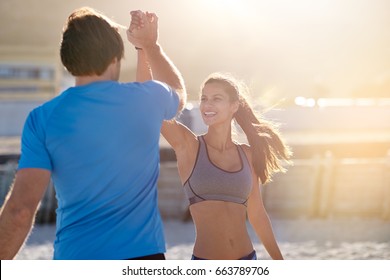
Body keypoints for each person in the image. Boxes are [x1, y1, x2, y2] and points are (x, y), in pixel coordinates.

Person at [0, 7, 186, 260]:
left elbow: (20, 211)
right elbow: (176, 91)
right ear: (115, 56)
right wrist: (149, 46)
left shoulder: (42, 118)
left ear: (68, 59)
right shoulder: (147, 99)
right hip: (142, 258)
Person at [131, 12, 291, 260]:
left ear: (234, 106)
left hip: (247, 261)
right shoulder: (189, 146)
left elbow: (258, 215)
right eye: (204, 98)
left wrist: (280, 263)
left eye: (217, 98)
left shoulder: (247, 154)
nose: (207, 104)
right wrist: (143, 48)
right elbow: (149, 101)